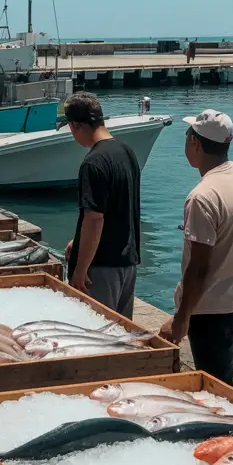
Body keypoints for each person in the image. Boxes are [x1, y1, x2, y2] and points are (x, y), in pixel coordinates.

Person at [160, 109, 233, 385]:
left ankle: (227, 428)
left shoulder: (202, 197)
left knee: (214, 388)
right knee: (226, 378)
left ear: (195, 142)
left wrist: (182, 318)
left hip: (211, 312)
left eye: (186, 135)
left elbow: (199, 267)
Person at [64, 91, 141, 318]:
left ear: (75, 126)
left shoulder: (93, 163)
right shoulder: (127, 152)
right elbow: (121, 207)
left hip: (101, 269)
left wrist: (80, 269)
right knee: (120, 335)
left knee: (97, 335)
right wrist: (77, 241)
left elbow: (95, 218)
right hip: (127, 264)